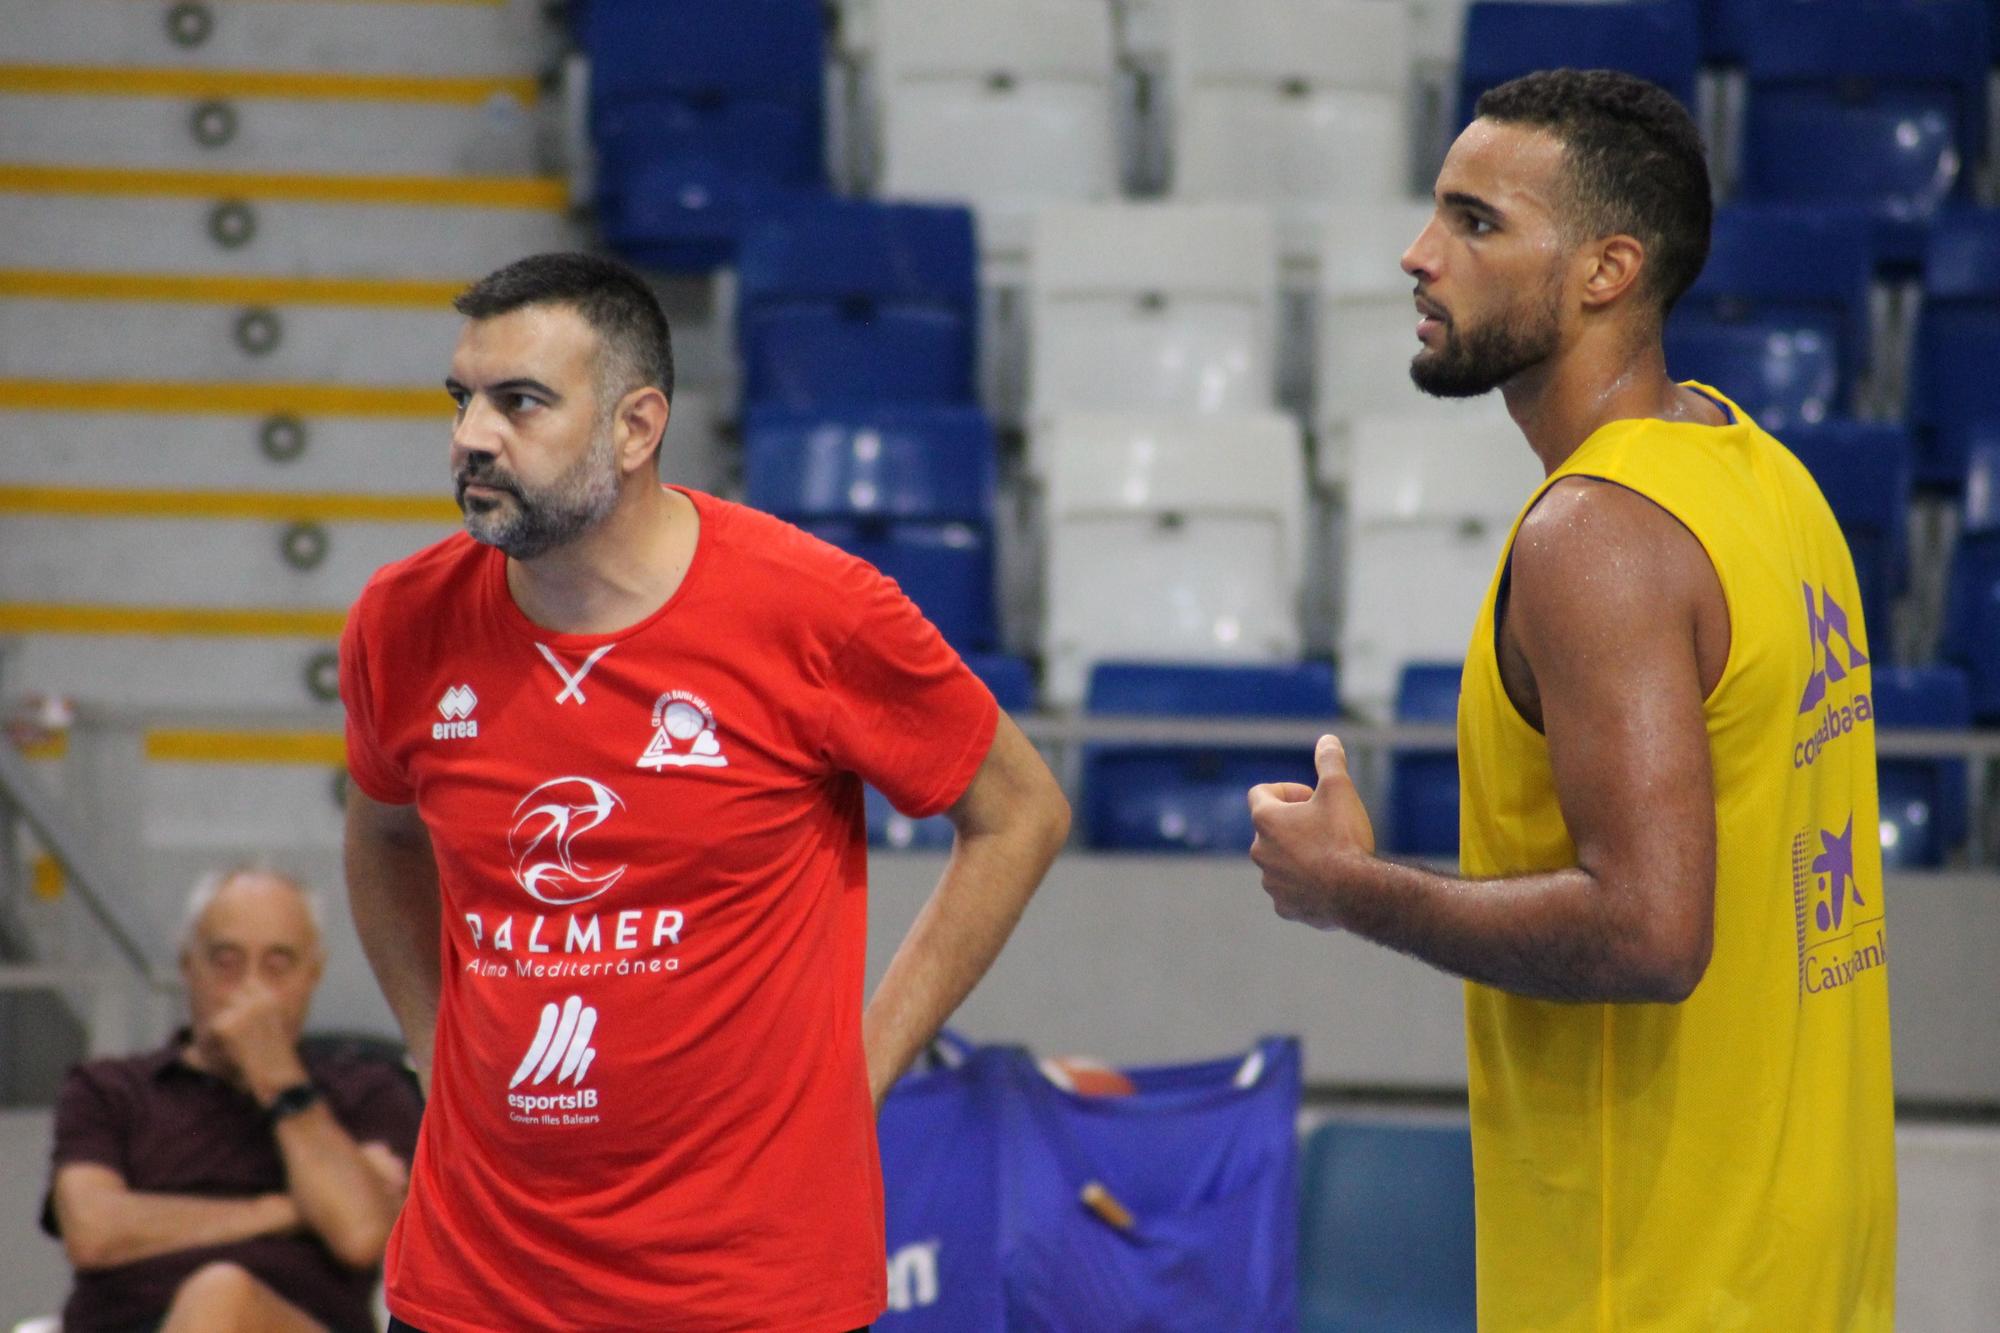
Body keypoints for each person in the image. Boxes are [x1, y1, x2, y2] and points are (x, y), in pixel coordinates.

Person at [1247, 69, 1894, 1329]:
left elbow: (1651, 931)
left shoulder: (1592, 536)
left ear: (1605, 271)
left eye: (1476, 222)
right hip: (1807, 1266)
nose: (1418, 254)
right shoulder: (1765, 479)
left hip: (1652, 1282)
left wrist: (1350, 890)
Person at [339, 252, 1070, 1333]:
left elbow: (1019, 813)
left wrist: (859, 1068)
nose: (471, 437)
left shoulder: (812, 609)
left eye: (519, 402)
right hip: (477, 1285)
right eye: (463, 400)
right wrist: (432, 1045)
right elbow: (385, 842)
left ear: (636, 429)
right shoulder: (401, 622)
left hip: (744, 1290)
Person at [43, 866, 422, 1333]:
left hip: (296, 1323)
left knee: (224, 1295)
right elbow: (92, 1229)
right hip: (125, 1323)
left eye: (278, 965)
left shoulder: (368, 1090)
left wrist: (280, 1079)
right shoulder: (110, 1088)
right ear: (188, 965)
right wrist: (286, 1211)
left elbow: (361, 1234)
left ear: (312, 974)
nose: (251, 988)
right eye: (226, 961)